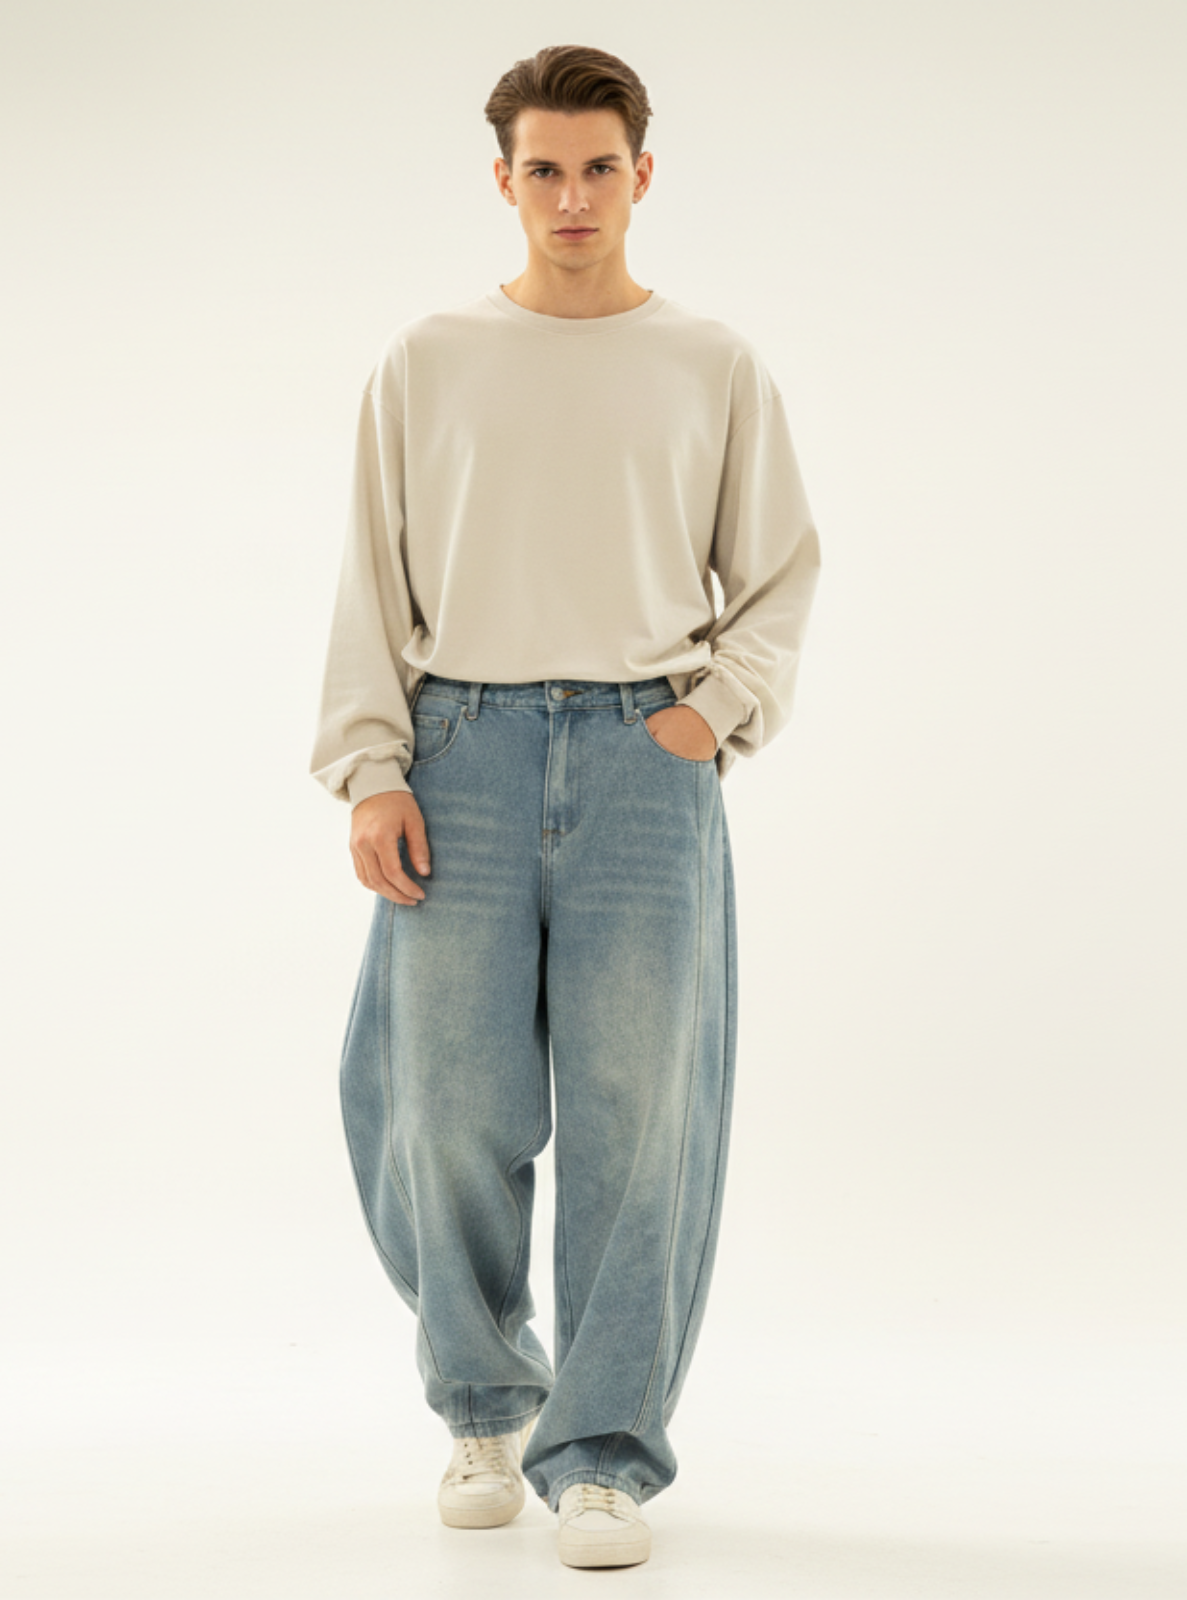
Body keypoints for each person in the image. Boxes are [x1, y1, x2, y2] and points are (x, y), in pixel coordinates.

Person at [308, 43, 822, 1571]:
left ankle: (600, 1454)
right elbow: (368, 575)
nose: (574, 196)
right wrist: (372, 766)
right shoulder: (428, 360)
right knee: (437, 1102)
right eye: (545, 169)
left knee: (638, 1113)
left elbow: (779, 571)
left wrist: (707, 715)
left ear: (641, 175)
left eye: (600, 168)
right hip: (457, 749)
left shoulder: (712, 365)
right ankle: (484, 1402)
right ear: (504, 180)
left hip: (641, 761)